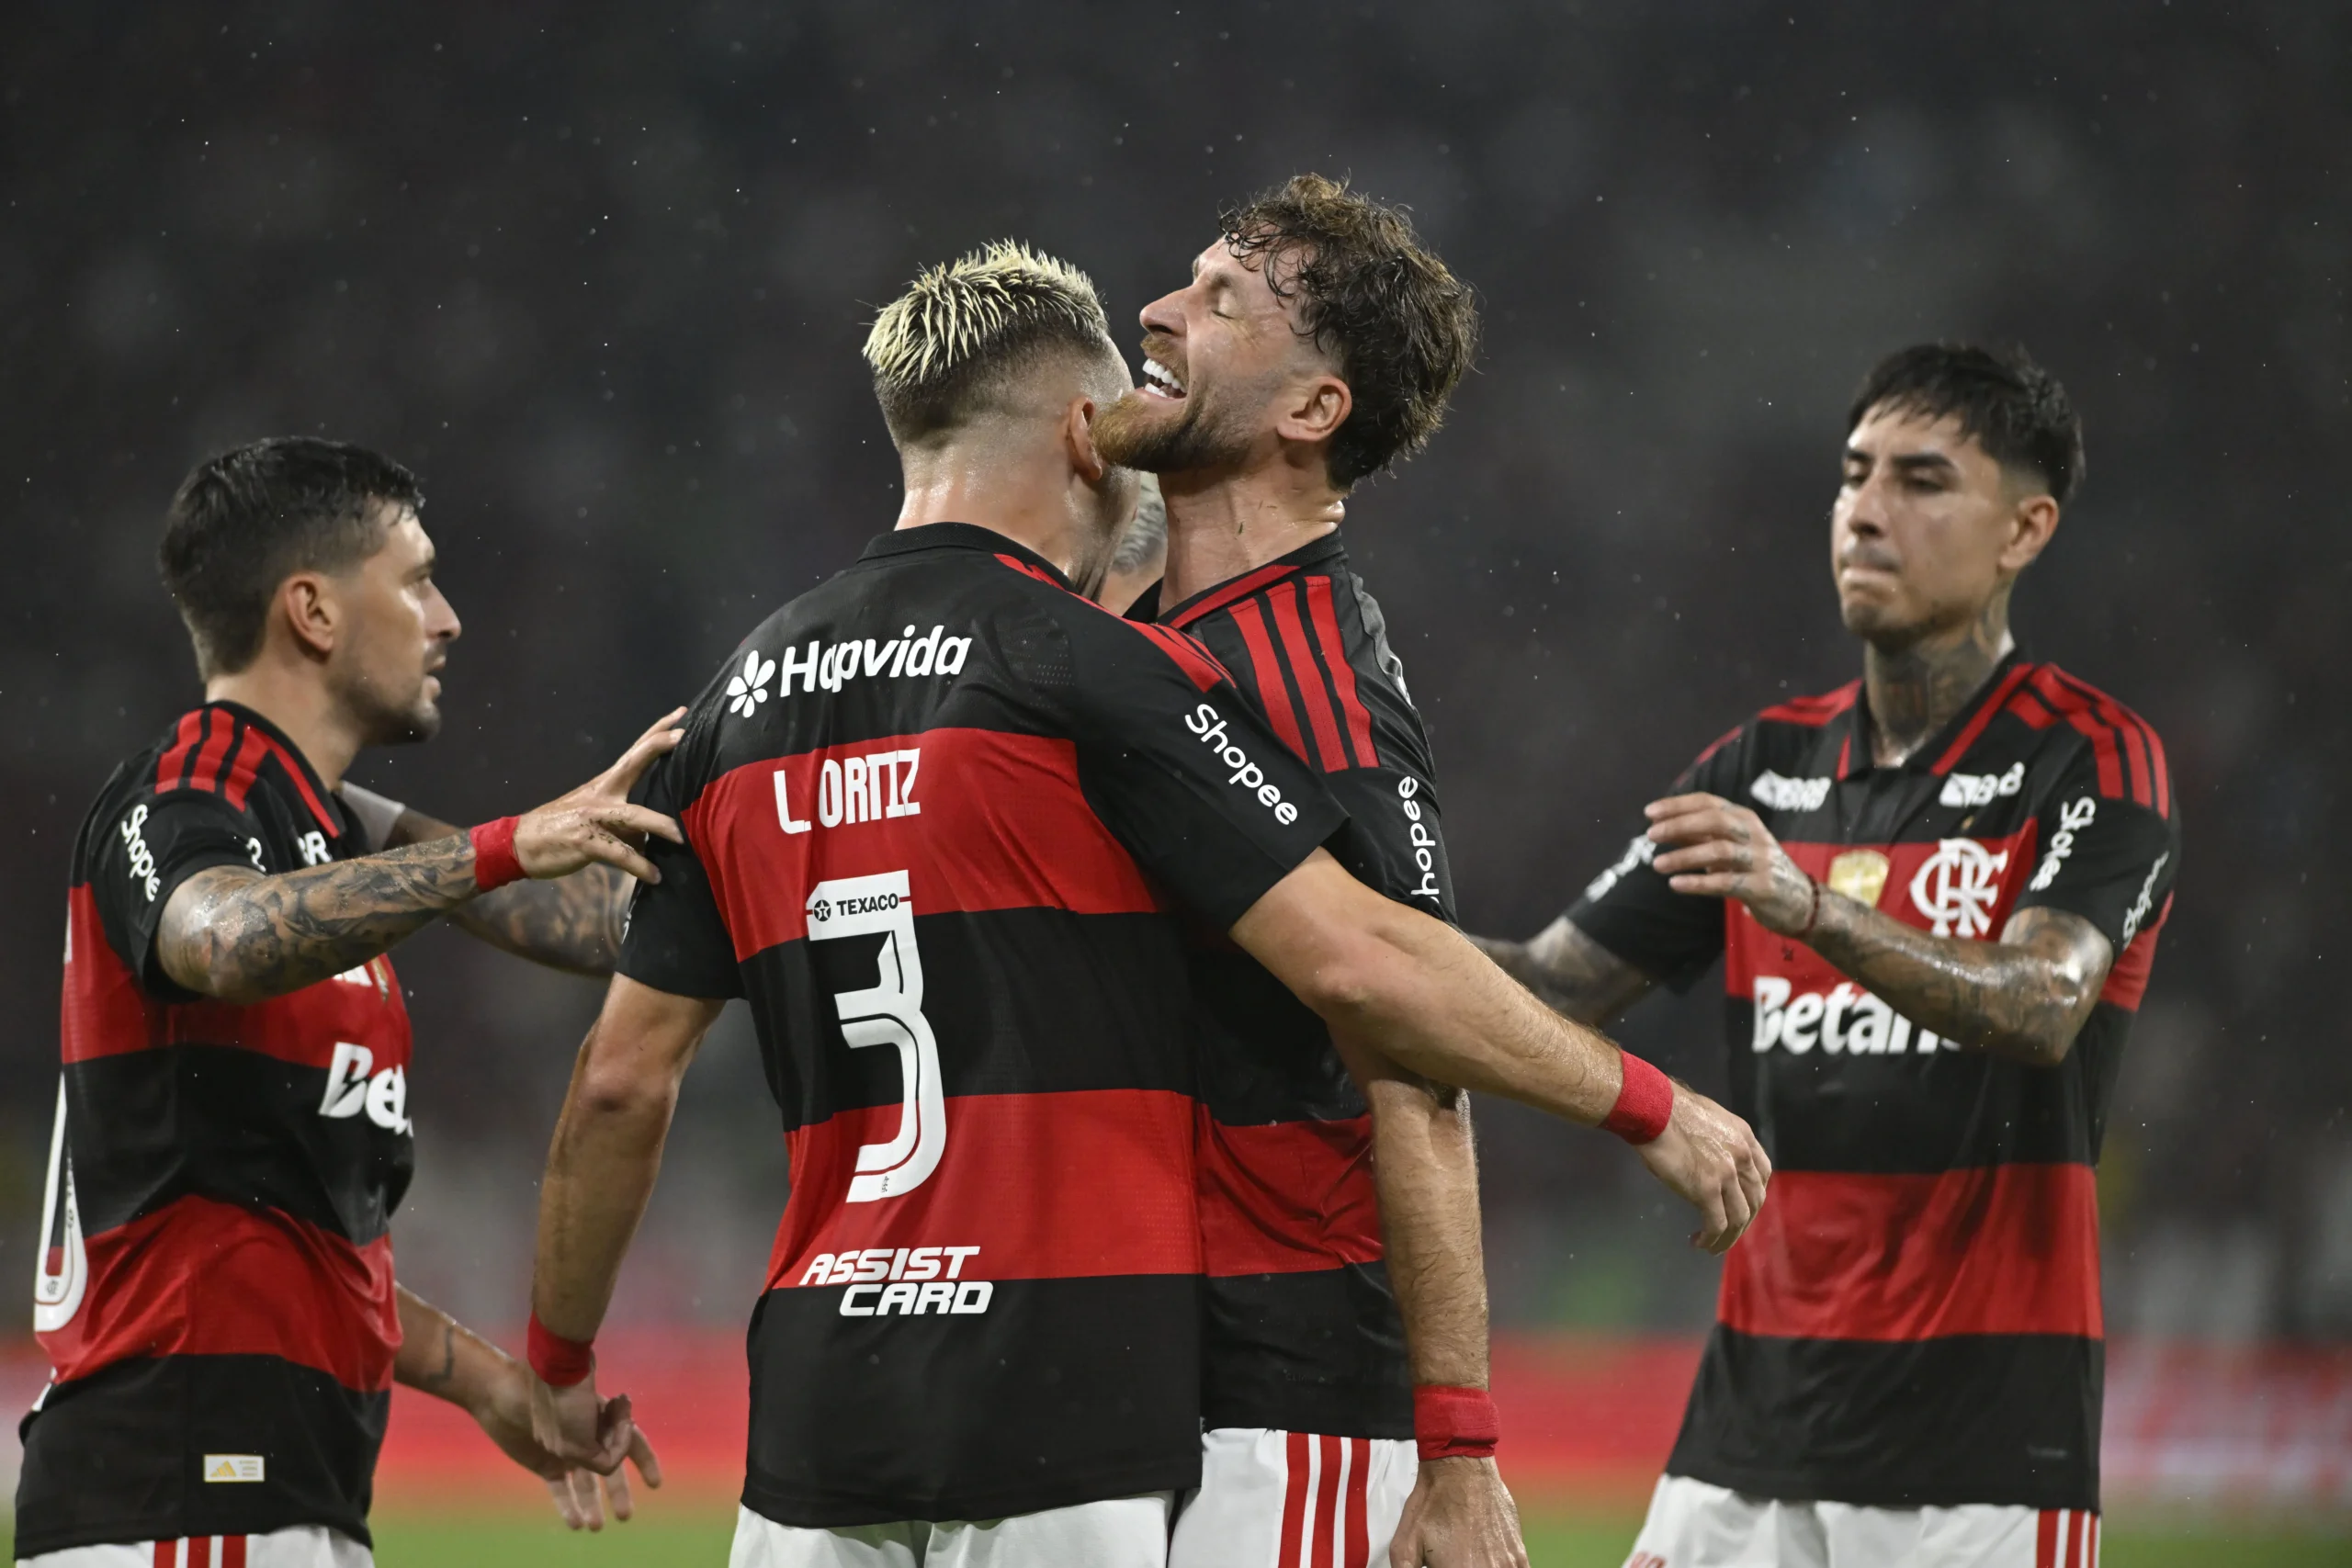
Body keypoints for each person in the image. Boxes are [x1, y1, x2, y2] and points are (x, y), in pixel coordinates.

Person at [523, 242, 1770, 1568]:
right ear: (1082, 433)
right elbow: (1365, 962)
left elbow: (618, 1073)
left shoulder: (744, 688)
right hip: (1074, 1380)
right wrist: (1650, 1102)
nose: (1163, 311)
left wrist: (553, 1352)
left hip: (867, 1396)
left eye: (1218, 299)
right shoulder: (1090, 664)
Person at [1476, 344, 2180, 1568]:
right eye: (1853, 474)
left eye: (1921, 480)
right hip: (1739, 1452)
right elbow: (1545, 986)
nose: (1865, 509)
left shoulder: (2093, 758)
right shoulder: (1763, 768)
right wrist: (1308, 909)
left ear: (2026, 527)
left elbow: (2044, 1000)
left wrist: (1809, 906)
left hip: (1977, 1471)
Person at [17, 437, 668, 1567]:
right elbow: (221, 936)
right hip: (183, 1497)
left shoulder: (316, 823)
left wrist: (495, 1389)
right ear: (312, 611)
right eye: (416, 579)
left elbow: (594, 926)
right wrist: (508, 847)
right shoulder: (189, 790)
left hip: (266, 1501)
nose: (449, 617)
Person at [1095, 174, 1534, 1568]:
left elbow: (1418, 1046)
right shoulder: (1109, 623)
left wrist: (1459, 1448)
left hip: (1274, 1399)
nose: (1157, 311)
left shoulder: (1318, 677)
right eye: (1185, 278)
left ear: (1312, 411)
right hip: (1108, 1364)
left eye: (1221, 299)